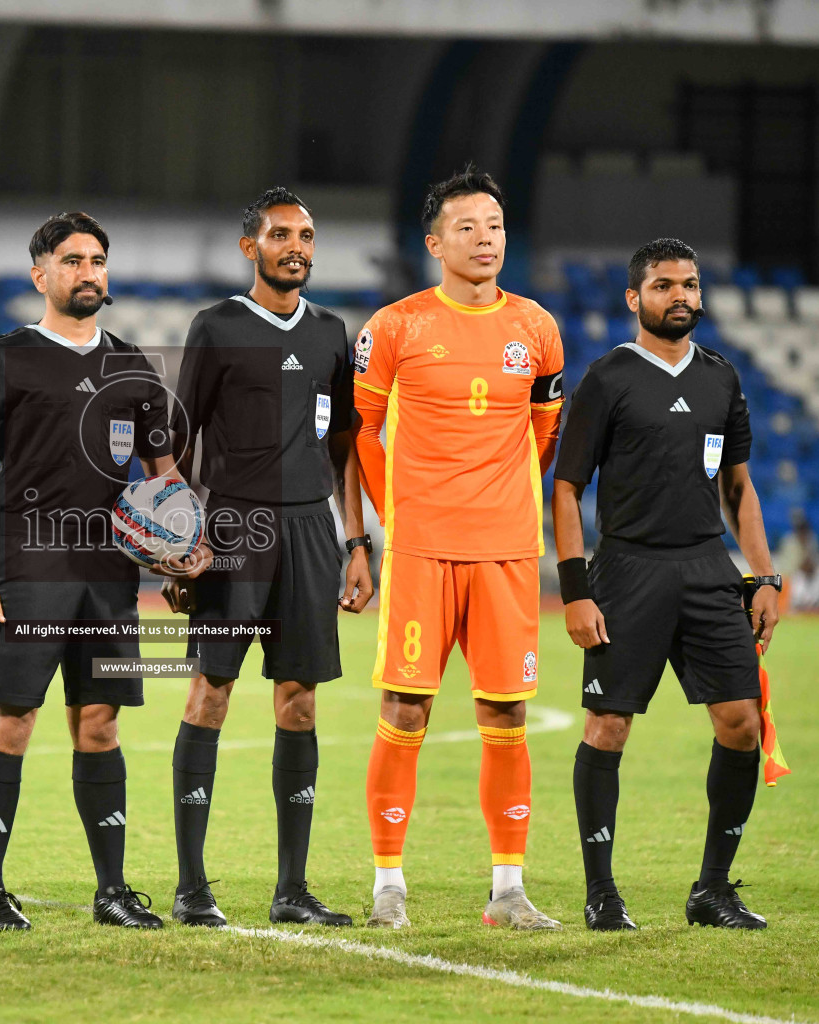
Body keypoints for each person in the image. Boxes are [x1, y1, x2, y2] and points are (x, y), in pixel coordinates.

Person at [0, 211, 201, 931]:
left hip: (110, 571)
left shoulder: (132, 366)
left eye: (97, 260)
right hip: (27, 561)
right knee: (13, 720)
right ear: (43, 276)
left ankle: (113, 892)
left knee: (100, 723)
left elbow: (166, 476)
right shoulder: (3, 358)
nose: (89, 271)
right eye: (73, 260)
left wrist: (182, 552)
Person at [353, 167, 565, 931]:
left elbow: (543, 437)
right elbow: (363, 436)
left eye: (496, 226)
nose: (485, 240)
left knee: (506, 709)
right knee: (405, 707)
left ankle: (508, 890)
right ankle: (388, 889)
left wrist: (501, 502)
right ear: (435, 242)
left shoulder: (537, 329)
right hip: (421, 551)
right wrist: (393, 517)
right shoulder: (396, 327)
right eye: (468, 227)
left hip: (508, 550)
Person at [552, 237, 780, 932]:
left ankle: (712, 890)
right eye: (662, 285)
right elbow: (565, 488)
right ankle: (601, 893)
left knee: (742, 725)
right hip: (627, 569)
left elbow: (738, 486)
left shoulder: (722, 378)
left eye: (689, 284)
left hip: (709, 568)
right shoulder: (609, 377)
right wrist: (574, 589)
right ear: (635, 298)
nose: (679, 295)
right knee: (609, 726)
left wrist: (763, 573)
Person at [161, 186, 372, 928]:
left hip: (313, 532)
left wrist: (355, 541)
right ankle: (192, 889)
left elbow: (343, 445)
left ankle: (292, 891)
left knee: (300, 701)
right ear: (251, 247)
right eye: (282, 234)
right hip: (234, 530)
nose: (298, 247)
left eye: (307, 235)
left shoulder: (331, 332)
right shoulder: (216, 326)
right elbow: (176, 445)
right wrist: (179, 540)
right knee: (209, 694)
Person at [775, 509, 819, 611]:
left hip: (809, 576)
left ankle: (816, 605)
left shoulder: (811, 540)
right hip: (792, 578)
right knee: (798, 579)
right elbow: (790, 568)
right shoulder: (789, 541)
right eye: (801, 530)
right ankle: (798, 605)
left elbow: (815, 562)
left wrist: (807, 554)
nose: (803, 533)